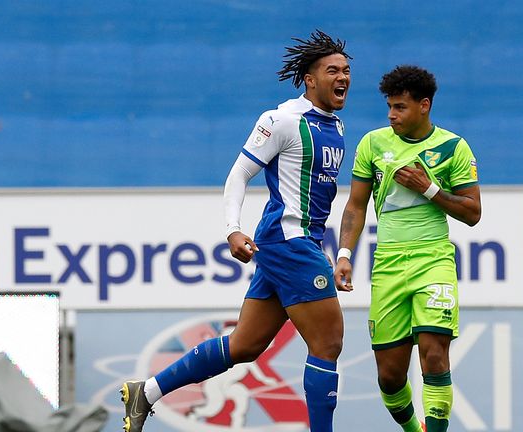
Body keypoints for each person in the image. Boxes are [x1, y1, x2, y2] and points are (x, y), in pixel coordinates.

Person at [120, 30, 352, 432]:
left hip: (299, 244)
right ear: (310, 79)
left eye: (347, 70)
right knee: (328, 342)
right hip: (287, 242)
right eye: (333, 70)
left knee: (244, 346)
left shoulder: (337, 128)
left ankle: (148, 392)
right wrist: (232, 228)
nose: (343, 77)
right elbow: (239, 174)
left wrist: (319, 247)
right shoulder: (280, 120)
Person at [334, 65, 480, 432]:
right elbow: (355, 206)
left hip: (433, 260)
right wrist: (345, 255)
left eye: (399, 107)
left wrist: (429, 188)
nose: (391, 114)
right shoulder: (373, 143)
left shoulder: (453, 147)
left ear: (424, 106)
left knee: (434, 356)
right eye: (389, 106)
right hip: (388, 265)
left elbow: (473, 213)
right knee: (390, 377)